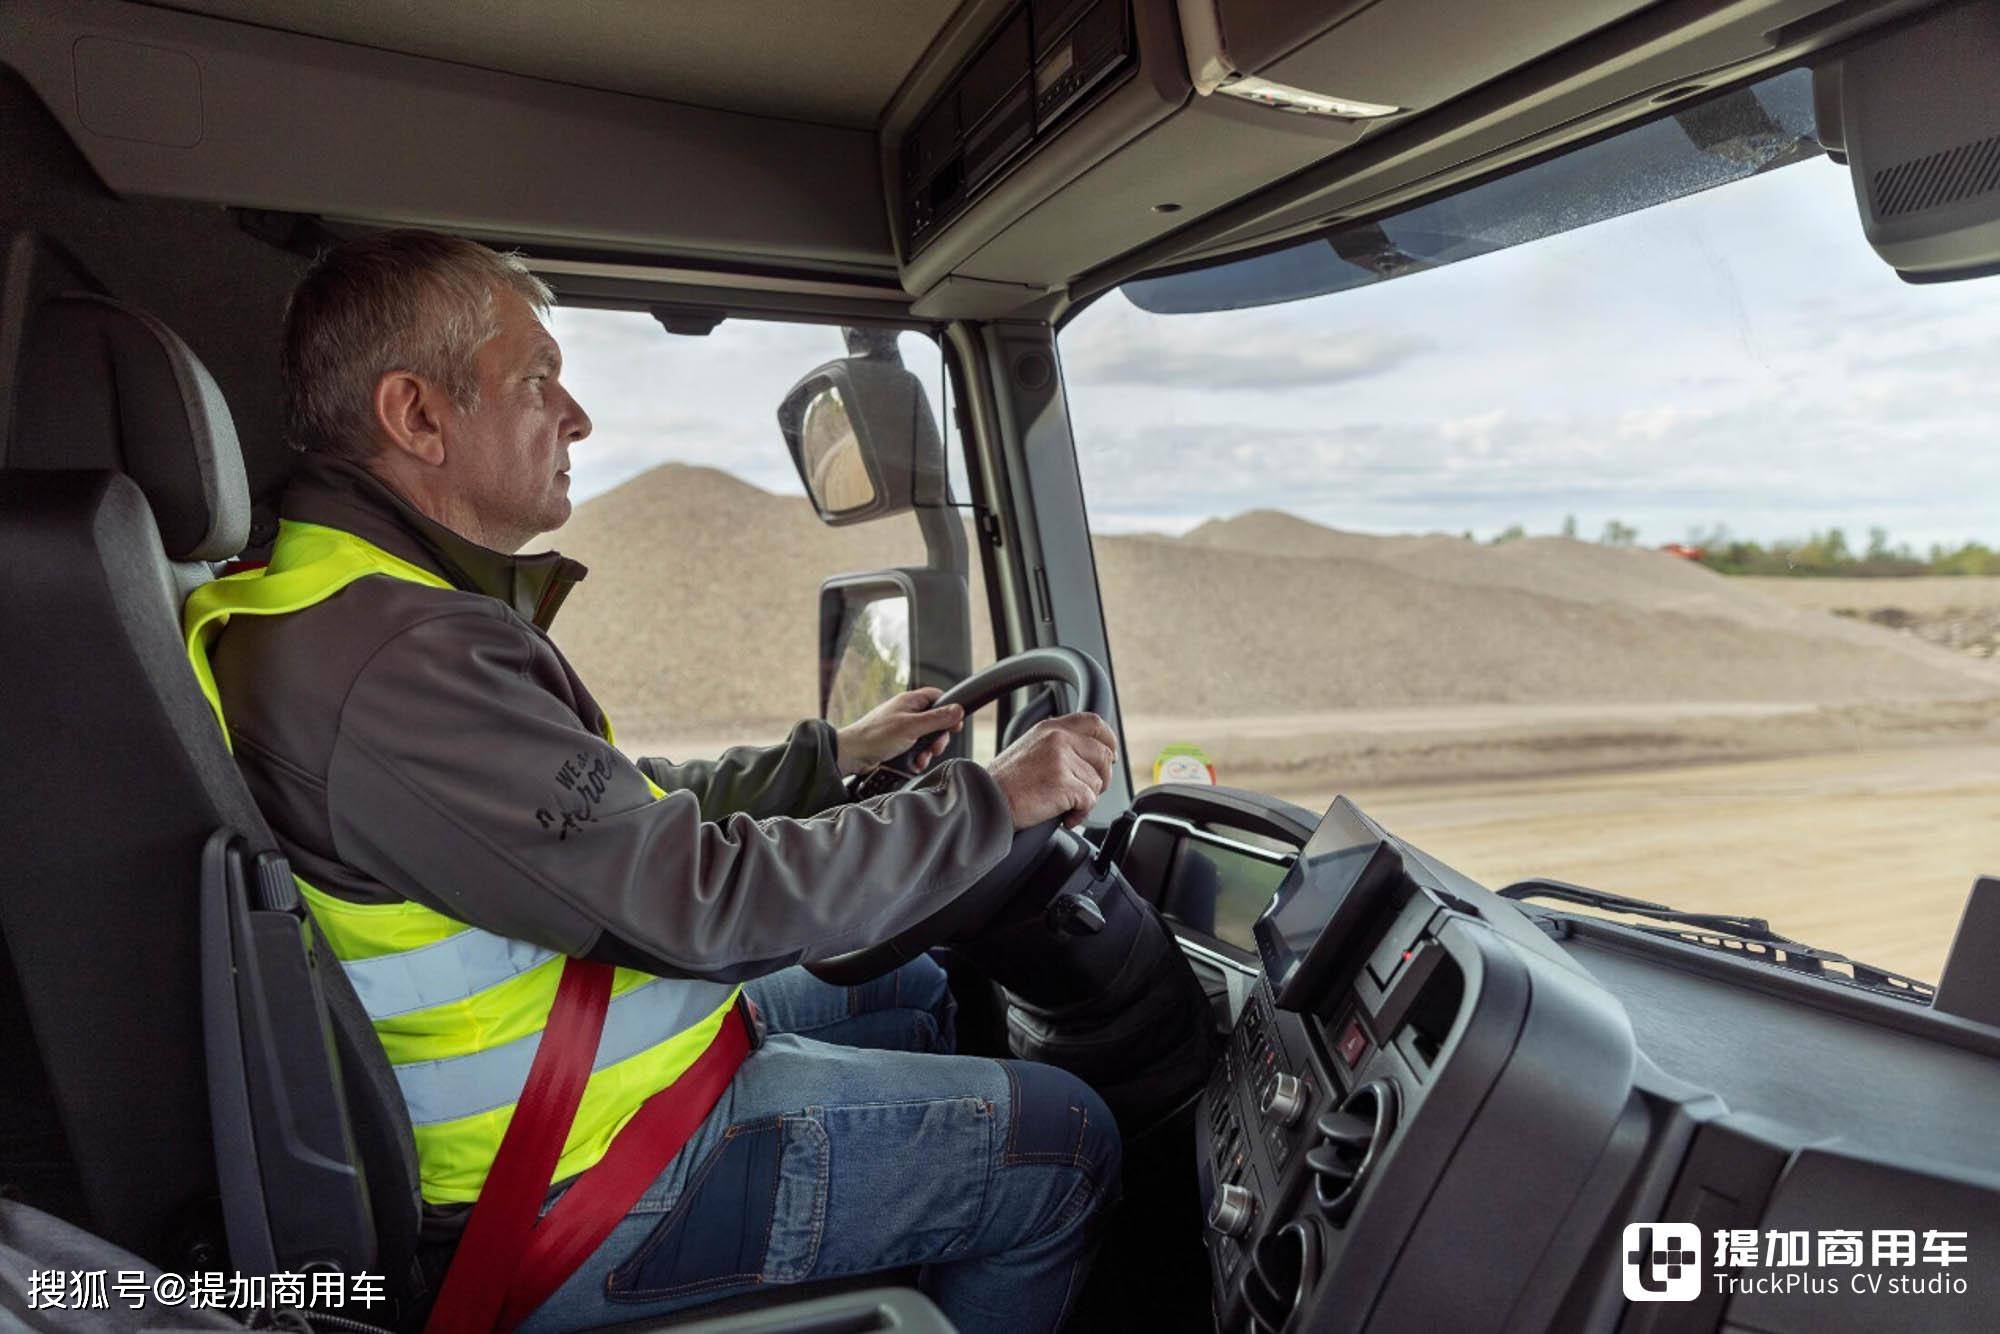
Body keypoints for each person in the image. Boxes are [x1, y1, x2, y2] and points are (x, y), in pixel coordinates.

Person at [184, 230, 1123, 1333]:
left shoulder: (345, 598)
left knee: (907, 983)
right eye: (536, 380)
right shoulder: (390, 657)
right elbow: (693, 898)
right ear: (418, 416)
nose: (575, 416)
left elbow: (605, 811)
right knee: (1063, 1142)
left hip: (580, 1079)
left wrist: (832, 760)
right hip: (561, 1177)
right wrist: (988, 801)